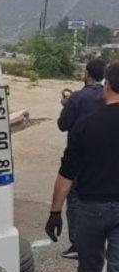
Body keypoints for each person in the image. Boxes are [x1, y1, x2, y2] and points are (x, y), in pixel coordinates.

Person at [45, 60, 119, 272]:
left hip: (88, 206)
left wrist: (54, 212)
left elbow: (67, 173)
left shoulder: (85, 123)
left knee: (89, 265)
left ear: (107, 85)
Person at [57, 57, 105, 259]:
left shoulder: (77, 98)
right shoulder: (109, 96)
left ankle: (78, 244)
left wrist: (66, 105)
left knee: (75, 200)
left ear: (87, 74)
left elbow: (63, 124)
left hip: (78, 159)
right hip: (105, 160)